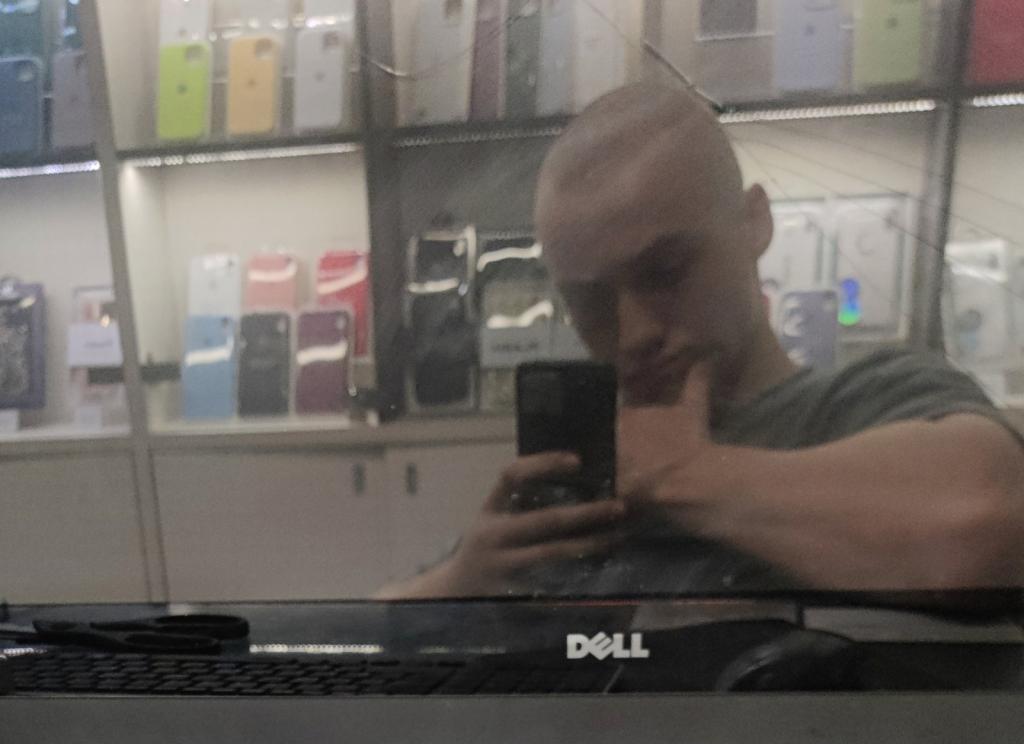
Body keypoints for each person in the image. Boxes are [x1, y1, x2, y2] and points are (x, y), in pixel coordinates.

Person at [378, 82, 1024, 601]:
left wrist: (681, 473)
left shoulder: (871, 399)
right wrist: (461, 583)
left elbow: (983, 523)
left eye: (665, 273)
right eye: (590, 301)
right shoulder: (585, 463)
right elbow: (370, 627)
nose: (635, 334)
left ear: (754, 224)